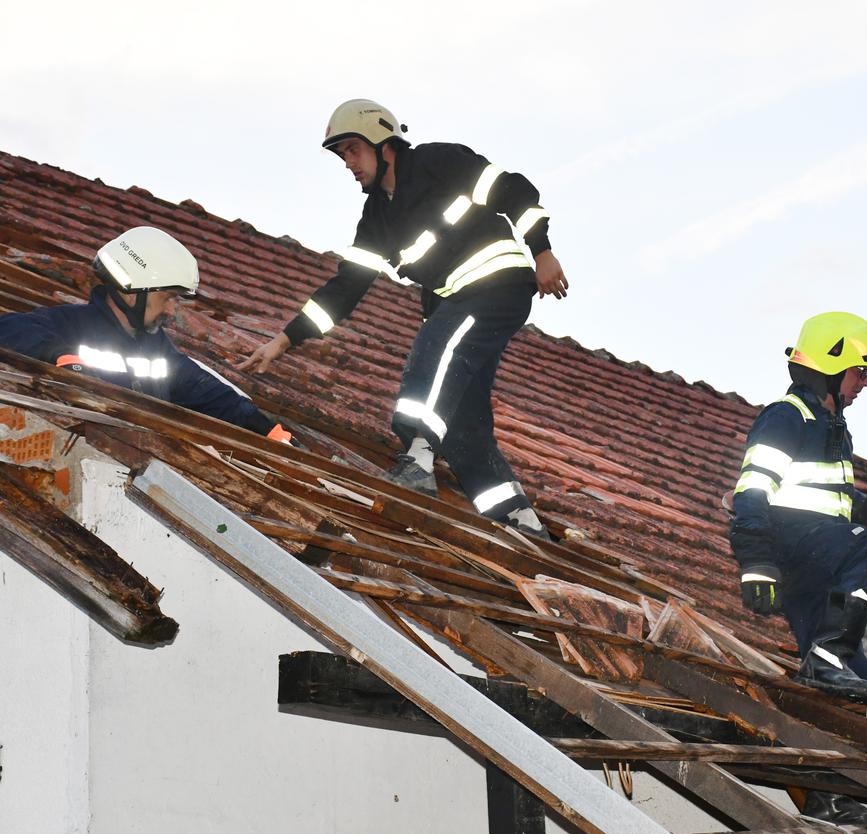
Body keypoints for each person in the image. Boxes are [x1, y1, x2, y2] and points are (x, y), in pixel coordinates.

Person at [239, 99, 566, 539]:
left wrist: (542, 252)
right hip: (458, 303)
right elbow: (347, 286)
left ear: (383, 142)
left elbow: (514, 191)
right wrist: (284, 339)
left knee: (433, 349)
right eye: (342, 156)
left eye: (353, 150)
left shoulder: (440, 162)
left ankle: (417, 458)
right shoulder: (377, 217)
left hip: (498, 286)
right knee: (461, 419)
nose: (349, 164)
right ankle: (516, 517)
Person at [728, 312, 867, 705]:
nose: (865, 383)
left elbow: (833, 495)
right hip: (794, 543)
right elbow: (752, 490)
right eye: (860, 371)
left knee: (858, 688)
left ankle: (817, 678)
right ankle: (825, 659)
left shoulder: (833, 428)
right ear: (830, 365)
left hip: (818, 559)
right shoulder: (787, 416)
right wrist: (756, 564)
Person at [0, 225, 294, 443]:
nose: (170, 309)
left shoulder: (158, 351)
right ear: (133, 292)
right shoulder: (68, 324)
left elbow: (213, 395)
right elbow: (10, 328)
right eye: (166, 297)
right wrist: (60, 357)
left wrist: (269, 431)